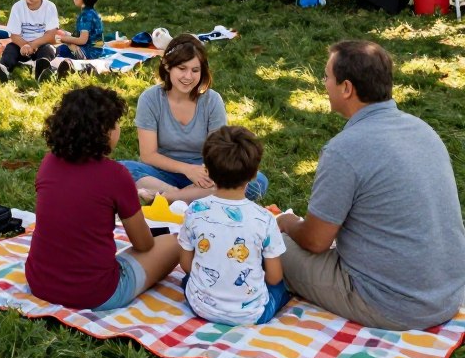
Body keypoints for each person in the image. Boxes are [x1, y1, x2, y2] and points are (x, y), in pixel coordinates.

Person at [278, 40, 465, 330]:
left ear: (347, 88)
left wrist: (286, 222)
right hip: (448, 293)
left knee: (271, 245)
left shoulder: (344, 150)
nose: (324, 83)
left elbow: (316, 241)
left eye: (327, 76)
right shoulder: (422, 129)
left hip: (393, 304)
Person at [25, 86, 180, 310]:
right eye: (116, 123)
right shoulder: (116, 175)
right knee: (174, 242)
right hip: (96, 293)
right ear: (105, 131)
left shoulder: (49, 162)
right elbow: (143, 244)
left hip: (40, 282)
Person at [120, 34, 268, 203]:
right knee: (123, 169)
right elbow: (148, 155)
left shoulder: (212, 100)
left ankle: (169, 198)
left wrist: (204, 173)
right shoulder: (150, 99)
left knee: (257, 182)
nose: (188, 77)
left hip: (206, 174)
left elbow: (218, 152)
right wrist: (187, 169)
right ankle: (187, 196)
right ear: (168, 66)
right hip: (161, 172)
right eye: (182, 69)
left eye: (195, 70)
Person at [178, 126, 289, 325]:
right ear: (255, 174)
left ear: (208, 171)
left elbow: (186, 265)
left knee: (188, 281)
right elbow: (273, 277)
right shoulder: (264, 219)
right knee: (282, 287)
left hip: (200, 306)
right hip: (251, 315)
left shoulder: (194, 210)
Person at [0, 0, 59, 83]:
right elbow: (14, 35)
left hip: (41, 44)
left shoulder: (50, 7)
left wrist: (33, 45)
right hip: (21, 45)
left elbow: (50, 35)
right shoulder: (18, 7)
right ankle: (3, 70)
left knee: (48, 49)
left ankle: (42, 70)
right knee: (10, 48)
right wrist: (24, 45)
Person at [39, 0, 106, 80]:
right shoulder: (93, 13)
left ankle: (51, 66)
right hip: (98, 50)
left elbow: (83, 40)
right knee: (64, 42)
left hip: (88, 52)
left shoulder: (85, 16)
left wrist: (65, 39)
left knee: (59, 50)